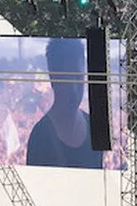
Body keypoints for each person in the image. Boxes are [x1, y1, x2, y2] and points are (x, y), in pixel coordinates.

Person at [25, 38, 103, 169]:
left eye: (78, 76)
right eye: (67, 78)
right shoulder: (40, 137)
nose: (74, 87)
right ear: (53, 79)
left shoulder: (94, 127)